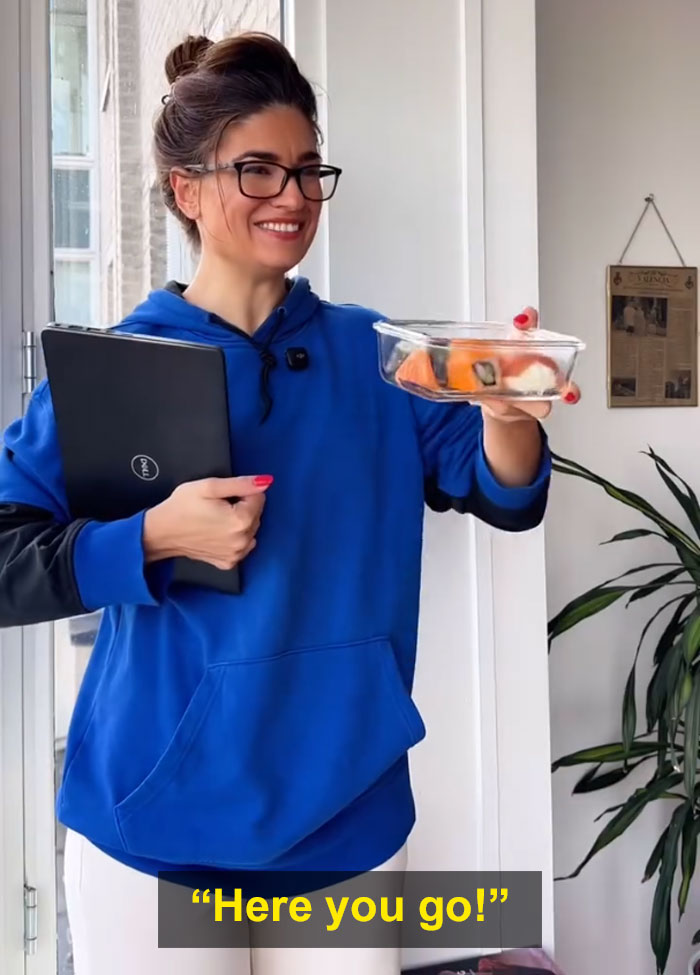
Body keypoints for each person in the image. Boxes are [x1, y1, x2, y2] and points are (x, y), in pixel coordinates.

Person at [0, 32, 579, 975]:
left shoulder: (380, 356)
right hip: (156, 827)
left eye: (310, 171)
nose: (294, 197)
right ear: (186, 190)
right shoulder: (108, 369)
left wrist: (512, 416)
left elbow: (504, 493)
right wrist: (147, 539)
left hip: (342, 818)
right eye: (258, 170)